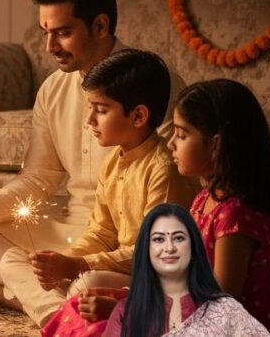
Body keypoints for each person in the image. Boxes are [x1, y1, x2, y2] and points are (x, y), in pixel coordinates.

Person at [0, 0, 186, 325]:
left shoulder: (152, 84)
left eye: (63, 33)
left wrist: (76, 264)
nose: (50, 47)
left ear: (100, 26)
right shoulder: (53, 89)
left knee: (83, 281)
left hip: (126, 247)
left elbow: (168, 187)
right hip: (74, 230)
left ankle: (24, 297)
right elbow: (39, 179)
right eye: (45, 33)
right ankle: (50, 302)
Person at [27, 49, 196, 333]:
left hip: (159, 280)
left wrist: (75, 266)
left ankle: (53, 309)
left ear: (139, 115)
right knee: (20, 262)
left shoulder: (163, 170)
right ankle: (61, 305)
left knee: (87, 283)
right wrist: (64, 261)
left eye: (101, 110)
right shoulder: (112, 164)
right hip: (122, 270)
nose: (89, 120)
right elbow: (101, 233)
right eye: (90, 108)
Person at [168, 79, 270, 336]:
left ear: (215, 145)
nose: (171, 143)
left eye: (181, 134)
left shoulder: (235, 215)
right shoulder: (204, 199)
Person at [103, 203, 270, 337]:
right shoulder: (126, 312)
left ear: (193, 247)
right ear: (145, 250)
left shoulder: (224, 310)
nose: (169, 248)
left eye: (178, 238)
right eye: (159, 239)